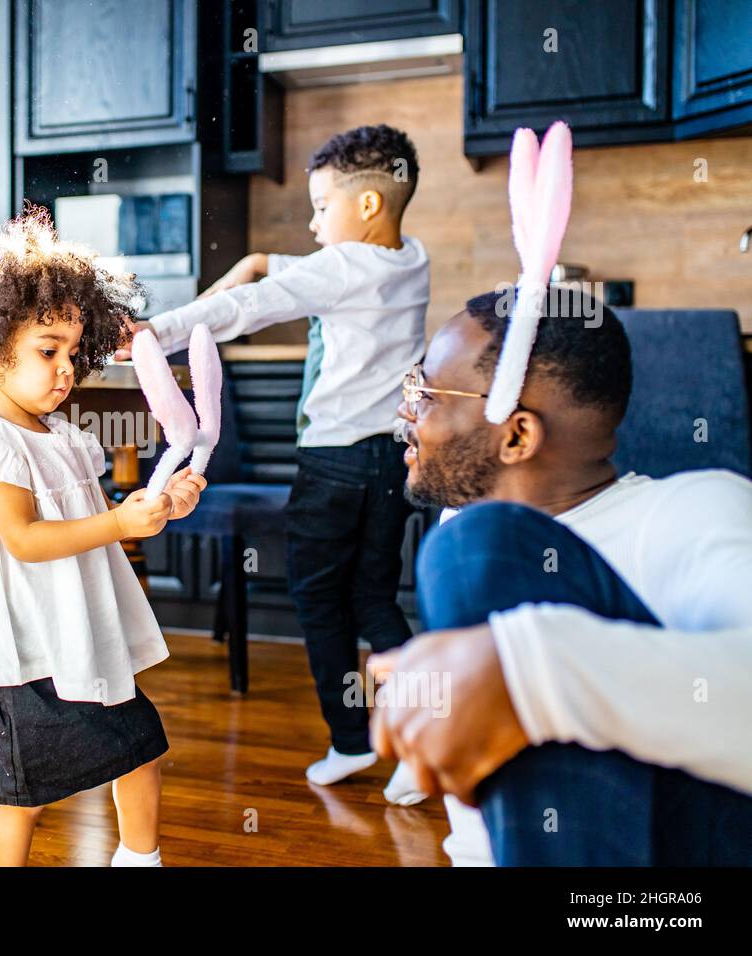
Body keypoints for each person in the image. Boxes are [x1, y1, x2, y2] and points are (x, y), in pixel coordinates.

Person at [371, 287, 752, 865]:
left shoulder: (691, 511)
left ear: (517, 435)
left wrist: (528, 668)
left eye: (425, 393)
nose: (405, 411)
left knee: (476, 543)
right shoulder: (459, 533)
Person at [116, 124, 430, 802]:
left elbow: (249, 308)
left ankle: (350, 741)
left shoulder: (344, 267)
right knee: (375, 598)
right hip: (392, 462)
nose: (315, 226)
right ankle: (423, 744)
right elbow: (274, 271)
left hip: (334, 465)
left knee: (317, 598)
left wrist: (153, 333)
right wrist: (256, 259)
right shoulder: (410, 260)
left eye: (322, 206)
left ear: (368, 206)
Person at [0, 212, 207, 867]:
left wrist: (158, 506)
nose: (67, 368)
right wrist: (118, 522)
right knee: (23, 798)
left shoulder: (69, 440)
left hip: (78, 637)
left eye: (74, 352)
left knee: (139, 749)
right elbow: (25, 539)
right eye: (49, 350)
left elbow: (99, 524)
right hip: (23, 651)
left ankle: (139, 858)